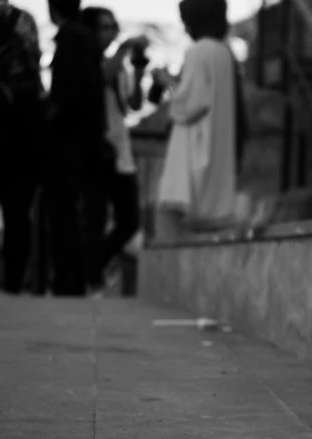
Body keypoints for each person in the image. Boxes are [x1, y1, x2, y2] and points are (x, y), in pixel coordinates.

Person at [152, 0, 248, 241]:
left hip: (195, 145)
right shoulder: (225, 52)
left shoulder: (198, 51)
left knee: (173, 218)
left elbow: (191, 103)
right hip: (220, 146)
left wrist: (166, 82)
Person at [80, 6, 147, 288]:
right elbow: (102, 77)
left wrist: (139, 68)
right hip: (99, 152)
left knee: (129, 220)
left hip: (122, 153)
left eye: (111, 27)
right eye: (102, 28)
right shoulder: (89, 61)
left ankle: (92, 267)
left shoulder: (117, 65)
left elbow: (132, 103)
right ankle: (91, 272)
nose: (108, 33)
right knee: (94, 219)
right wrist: (122, 49)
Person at [45, 0, 107, 296]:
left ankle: (67, 281)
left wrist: (53, 114)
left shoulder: (72, 40)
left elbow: (73, 93)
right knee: (76, 214)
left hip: (71, 144)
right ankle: (73, 279)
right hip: (84, 143)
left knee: (64, 213)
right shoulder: (85, 41)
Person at [0, 0, 44, 294]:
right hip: (2, 132)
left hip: (17, 135)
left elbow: (28, 77)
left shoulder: (20, 24)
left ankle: (12, 285)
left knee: (17, 214)